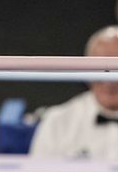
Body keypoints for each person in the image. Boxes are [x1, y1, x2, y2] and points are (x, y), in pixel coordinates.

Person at [29, 25, 118, 161]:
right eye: (103, 69)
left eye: (116, 70)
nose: (110, 81)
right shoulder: (57, 122)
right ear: (87, 72)